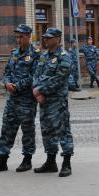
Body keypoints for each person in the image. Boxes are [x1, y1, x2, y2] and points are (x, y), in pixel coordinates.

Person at [0, 24, 41, 173]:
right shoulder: (14, 53)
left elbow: (35, 76)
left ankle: (27, 159)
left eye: (21, 37)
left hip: (27, 99)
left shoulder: (36, 54)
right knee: (7, 129)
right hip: (12, 99)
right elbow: (7, 72)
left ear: (29, 36)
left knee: (27, 130)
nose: (18, 40)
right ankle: (2, 160)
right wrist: (6, 83)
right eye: (16, 37)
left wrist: (17, 85)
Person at [32, 28, 74, 177]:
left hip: (57, 101)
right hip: (43, 101)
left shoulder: (65, 57)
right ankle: (50, 162)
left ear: (58, 39)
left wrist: (40, 90)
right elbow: (36, 74)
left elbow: (59, 79)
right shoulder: (44, 56)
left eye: (49, 38)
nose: (46, 40)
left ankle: (67, 163)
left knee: (62, 131)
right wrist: (37, 91)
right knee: (47, 131)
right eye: (45, 38)